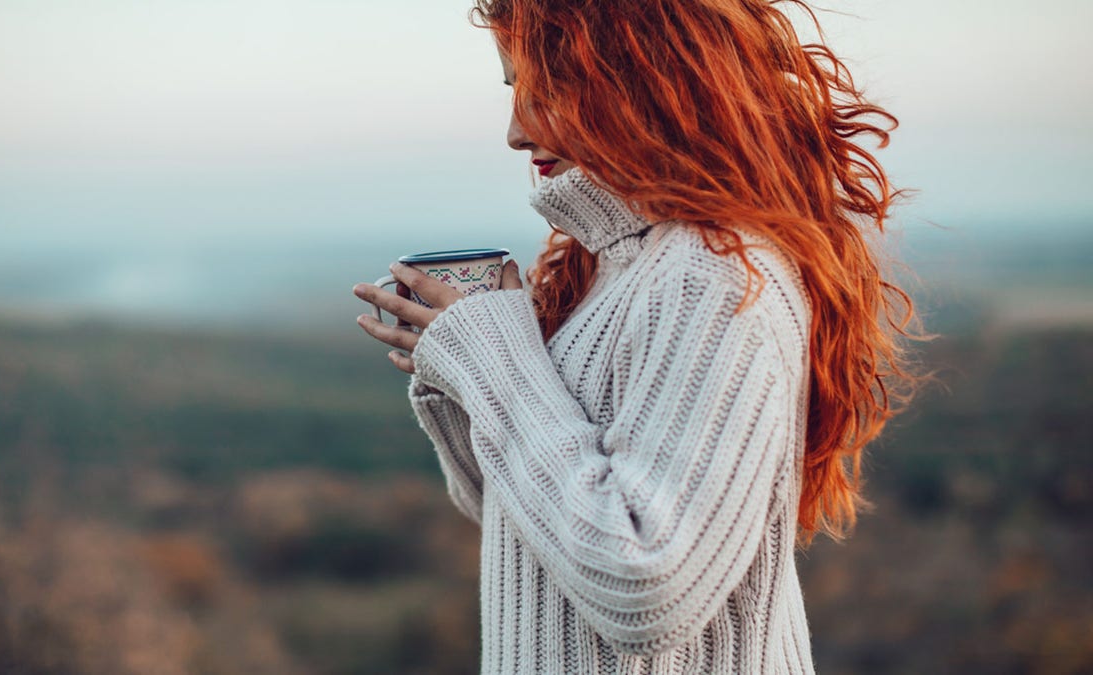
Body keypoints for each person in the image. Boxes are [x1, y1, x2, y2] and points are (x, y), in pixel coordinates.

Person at [352, 0, 918, 672]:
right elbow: (522, 519)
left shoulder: (712, 274)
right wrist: (468, 366)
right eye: (514, 93)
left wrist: (499, 365)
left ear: (644, 82)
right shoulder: (610, 267)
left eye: (546, 92)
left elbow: (646, 588)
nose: (515, 131)